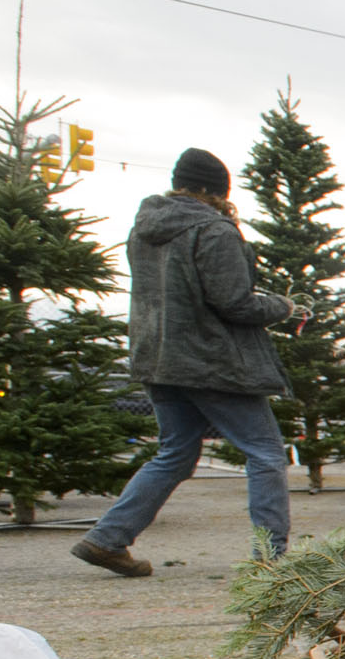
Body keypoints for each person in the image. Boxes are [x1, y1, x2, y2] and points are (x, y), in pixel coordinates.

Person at [74, 149, 296, 577]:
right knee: (265, 453)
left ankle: (107, 539)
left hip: (158, 359)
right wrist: (282, 307)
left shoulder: (144, 229)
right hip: (212, 363)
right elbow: (235, 303)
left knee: (175, 453)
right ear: (218, 190)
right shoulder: (214, 231)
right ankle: (272, 560)